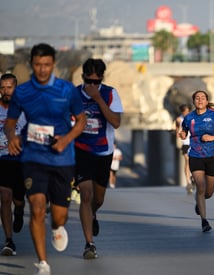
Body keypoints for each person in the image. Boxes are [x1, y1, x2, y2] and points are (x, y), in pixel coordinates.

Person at [4, 43, 86, 274]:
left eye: (47, 65)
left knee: (58, 216)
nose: (42, 69)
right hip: (33, 156)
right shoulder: (22, 92)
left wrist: (66, 139)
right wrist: (12, 137)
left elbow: (81, 121)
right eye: (38, 65)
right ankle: (43, 264)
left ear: (53, 64)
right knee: (37, 207)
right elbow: (10, 123)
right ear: (32, 64)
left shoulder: (67, 90)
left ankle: (57, 227)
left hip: (62, 158)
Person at [74, 58, 123, 259]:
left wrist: (98, 99)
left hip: (103, 152)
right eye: (90, 81)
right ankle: (89, 244)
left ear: (102, 78)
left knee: (98, 198)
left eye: (97, 81)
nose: (93, 85)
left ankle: (93, 213)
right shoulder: (74, 94)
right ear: (83, 77)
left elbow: (116, 122)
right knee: (85, 195)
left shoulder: (110, 93)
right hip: (80, 150)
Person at [179, 90, 214, 232]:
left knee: (209, 192)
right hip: (195, 155)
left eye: (203, 98)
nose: (200, 100)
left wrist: (212, 138)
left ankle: (200, 201)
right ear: (194, 101)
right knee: (200, 186)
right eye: (197, 98)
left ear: (207, 101)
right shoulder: (188, 117)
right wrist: (182, 133)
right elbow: (184, 130)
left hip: (212, 156)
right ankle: (204, 221)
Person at [0, 73, 26, 256]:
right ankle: (9, 241)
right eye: (2, 88)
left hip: (21, 160)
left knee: (17, 198)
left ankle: (20, 209)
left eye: (9, 87)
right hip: (2, 159)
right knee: (5, 196)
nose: (5, 91)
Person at [175, 103, 193, 194]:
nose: (185, 113)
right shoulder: (179, 119)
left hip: (194, 142)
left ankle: (193, 176)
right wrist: (178, 134)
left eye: (187, 111)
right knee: (187, 160)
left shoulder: (194, 118)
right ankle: (188, 181)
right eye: (184, 111)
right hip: (185, 142)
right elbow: (177, 130)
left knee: (194, 161)